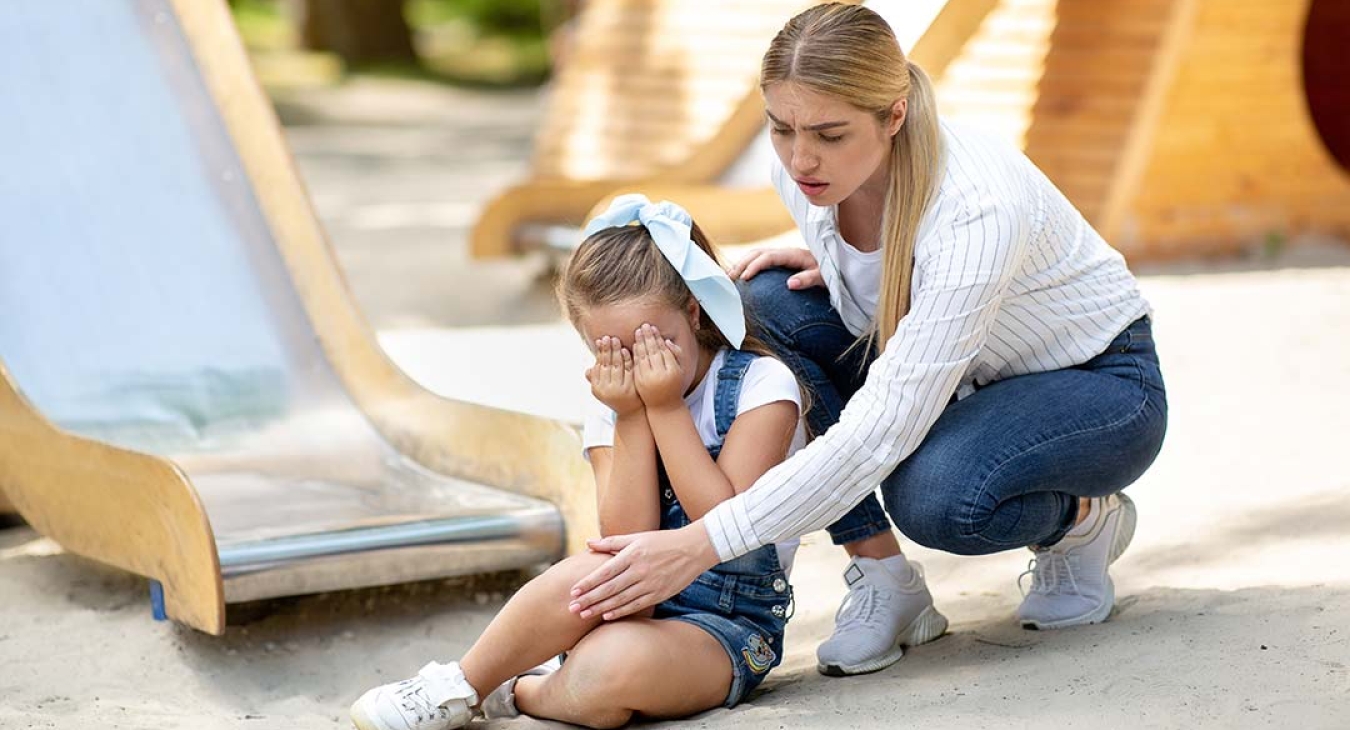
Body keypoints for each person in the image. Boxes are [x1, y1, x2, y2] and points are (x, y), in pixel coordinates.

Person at [565, 2, 1169, 679]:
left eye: (828, 133)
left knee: (939, 496)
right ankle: (887, 579)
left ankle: (1083, 519)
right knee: (761, 304)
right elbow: (891, 263)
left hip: (1098, 385)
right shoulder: (802, 175)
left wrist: (701, 545)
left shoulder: (976, 210)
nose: (800, 157)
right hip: (959, 377)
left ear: (894, 115)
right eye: (782, 127)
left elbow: (880, 432)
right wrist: (856, 271)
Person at [349, 194, 803, 730]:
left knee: (605, 674)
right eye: (614, 353)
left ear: (692, 311)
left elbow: (727, 524)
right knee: (591, 571)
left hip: (724, 625)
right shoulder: (615, 403)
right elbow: (623, 534)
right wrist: (632, 417)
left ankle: (522, 690)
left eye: (656, 344)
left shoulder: (760, 385)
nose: (637, 368)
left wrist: (663, 408)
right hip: (630, 598)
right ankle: (461, 686)